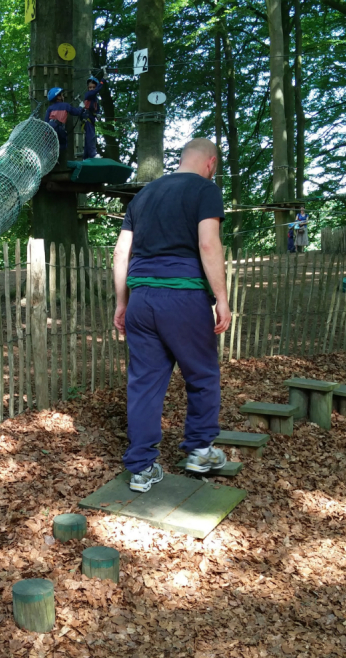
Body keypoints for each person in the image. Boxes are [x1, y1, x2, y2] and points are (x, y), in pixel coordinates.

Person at [112, 138, 232, 492]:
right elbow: (208, 244)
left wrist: (122, 302)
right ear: (210, 163)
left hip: (142, 300)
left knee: (145, 383)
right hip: (182, 296)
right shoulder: (204, 190)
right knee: (202, 374)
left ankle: (141, 468)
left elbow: (121, 253)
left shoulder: (143, 196)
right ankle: (199, 451)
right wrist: (221, 298)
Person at [44, 87, 85, 152]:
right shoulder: (66, 105)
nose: (63, 97)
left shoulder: (50, 108)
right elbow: (76, 112)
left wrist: (45, 132)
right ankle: (57, 157)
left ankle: (52, 158)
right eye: (62, 95)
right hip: (59, 128)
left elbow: (46, 121)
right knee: (63, 144)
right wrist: (81, 107)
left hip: (50, 127)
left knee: (50, 144)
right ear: (58, 97)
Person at [82, 75, 105, 160]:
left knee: (89, 136)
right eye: (90, 87)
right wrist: (102, 80)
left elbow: (97, 109)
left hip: (91, 119)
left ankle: (86, 156)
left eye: (93, 87)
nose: (91, 89)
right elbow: (95, 91)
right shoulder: (88, 94)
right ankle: (92, 154)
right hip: (87, 117)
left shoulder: (95, 100)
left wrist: (98, 114)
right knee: (90, 136)